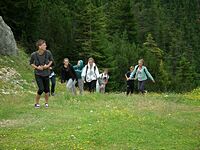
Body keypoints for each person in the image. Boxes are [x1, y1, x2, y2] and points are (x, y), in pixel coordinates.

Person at [30, 39, 54, 108]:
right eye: (44, 45)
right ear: (39, 46)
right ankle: (36, 103)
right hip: (38, 74)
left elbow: (51, 61)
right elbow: (31, 63)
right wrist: (37, 67)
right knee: (41, 89)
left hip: (46, 73)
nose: (45, 46)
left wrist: (48, 66)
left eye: (45, 45)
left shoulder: (48, 53)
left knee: (47, 90)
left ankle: (46, 103)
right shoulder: (34, 54)